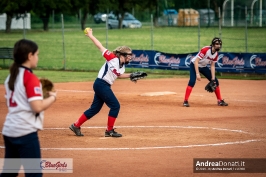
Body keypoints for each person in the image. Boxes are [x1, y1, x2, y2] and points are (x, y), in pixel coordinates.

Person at [1, 39, 57, 177]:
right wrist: (53, 97)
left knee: (9, 173)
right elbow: (37, 107)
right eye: (37, 54)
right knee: (34, 174)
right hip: (24, 132)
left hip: (10, 130)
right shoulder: (29, 77)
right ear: (30, 56)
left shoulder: (11, 77)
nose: (38, 58)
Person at [69, 28, 133, 138]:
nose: (130, 57)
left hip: (103, 85)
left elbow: (119, 75)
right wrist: (90, 35)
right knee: (115, 106)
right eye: (128, 55)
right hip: (101, 84)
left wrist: (131, 76)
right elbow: (100, 46)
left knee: (95, 109)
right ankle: (109, 131)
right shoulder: (112, 58)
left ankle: (76, 125)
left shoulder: (122, 66)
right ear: (122, 55)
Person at [183, 37, 228, 107]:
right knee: (192, 81)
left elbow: (212, 65)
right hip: (194, 65)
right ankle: (185, 101)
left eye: (219, 44)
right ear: (213, 44)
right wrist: (197, 74)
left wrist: (213, 78)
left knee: (215, 81)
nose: (218, 45)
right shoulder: (205, 50)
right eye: (217, 44)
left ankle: (220, 101)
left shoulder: (216, 54)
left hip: (203, 66)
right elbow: (196, 61)